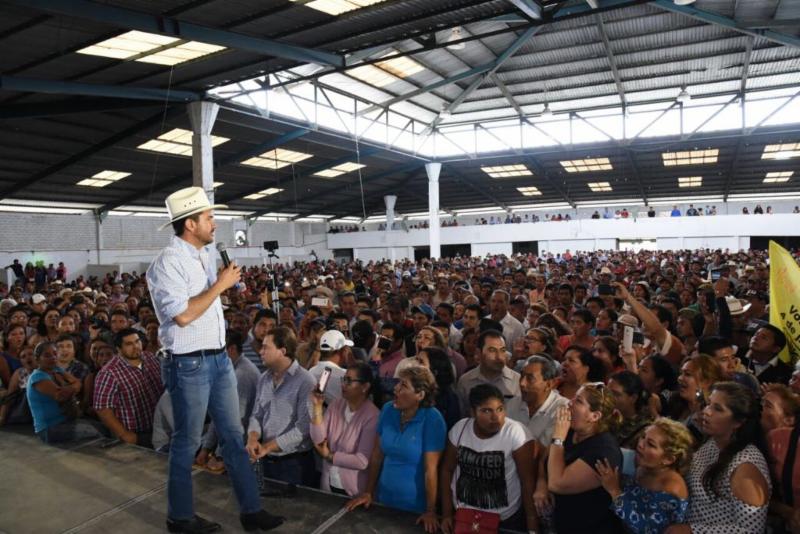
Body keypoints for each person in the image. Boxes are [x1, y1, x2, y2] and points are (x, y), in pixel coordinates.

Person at [146, 186, 283, 533]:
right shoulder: (167, 263)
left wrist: (225, 286)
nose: (215, 223)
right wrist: (220, 286)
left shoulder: (202, 256)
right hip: (188, 363)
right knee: (187, 441)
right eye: (209, 217)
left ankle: (251, 511)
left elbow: (206, 305)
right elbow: (182, 315)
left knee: (233, 437)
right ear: (190, 224)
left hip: (219, 360)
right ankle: (180, 518)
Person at [347, 366, 446, 533]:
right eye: (398, 383)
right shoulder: (388, 410)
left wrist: (430, 511)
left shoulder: (433, 420)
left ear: (420, 395)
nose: (395, 389)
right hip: (383, 501)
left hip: (414, 509)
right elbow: (377, 455)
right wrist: (368, 492)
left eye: (403, 386)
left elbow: (431, 470)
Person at [666, 382, 771, 534]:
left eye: (718, 409)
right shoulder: (712, 442)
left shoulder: (745, 467)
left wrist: (693, 530)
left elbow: (751, 530)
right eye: (708, 404)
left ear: (738, 422)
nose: (706, 412)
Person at [439, 384, 538, 533]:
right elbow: (447, 470)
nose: (496, 417)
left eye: (500, 409)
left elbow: (528, 482)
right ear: (472, 412)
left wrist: (532, 527)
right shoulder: (460, 429)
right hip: (463, 515)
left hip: (505, 519)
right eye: (486, 411)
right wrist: (447, 514)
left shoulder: (516, 433)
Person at [548, 382, 623, 533]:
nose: (570, 402)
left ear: (594, 416)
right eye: (574, 397)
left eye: (579, 401)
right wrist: (541, 485)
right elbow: (546, 459)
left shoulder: (604, 452)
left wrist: (557, 438)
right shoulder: (571, 430)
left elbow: (557, 484)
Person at [247, 326, 317, 487]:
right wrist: (252, 438)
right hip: (266, 459)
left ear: (283, 351)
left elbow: (304, 429)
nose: (260, 352)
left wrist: (267, 447)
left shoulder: (305, 381)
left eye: (266, 347)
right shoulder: (264, 378)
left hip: (294, 464)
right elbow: (257, 414)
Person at [596, 418, 692, 533]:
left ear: (668, 459)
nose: (640, 444)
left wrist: (614, 491)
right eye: (643, 437)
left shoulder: (672, 488)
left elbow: (647, 530)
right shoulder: (643, 467)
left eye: (650, 444)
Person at [194, 329, 261, 473]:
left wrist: (220, 456)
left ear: (231, 349)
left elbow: (236, 421)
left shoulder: (241, 375)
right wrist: (206, 448)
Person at [310, 361, 380, 496]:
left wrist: (330, 456)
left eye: (349, 381)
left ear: (365, 387)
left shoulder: (373, 416)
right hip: (328, 484)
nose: (343, 385)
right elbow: (318, 440)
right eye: (344, 379)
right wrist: (317, 407)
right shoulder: (336, 405)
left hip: (354, 490)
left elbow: (362, 461)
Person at [92, 328, 162, 447]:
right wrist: (124, 434)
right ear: (118, 349)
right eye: (129, 344)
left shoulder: (150, 358)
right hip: (137, 433)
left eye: (137, 341)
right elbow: (102, 409)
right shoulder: (109, 373)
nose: (136, 347)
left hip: (160, 426)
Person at [26, 341, 106, 443]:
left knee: (103, 427)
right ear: (37, 359)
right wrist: (70, 386)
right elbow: (60, 395)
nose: (53, 357)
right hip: (49, 429)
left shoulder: (56, 369)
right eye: (47, 355)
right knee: (97, 433)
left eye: (55, 353)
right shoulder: (37, 377)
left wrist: (68, 387)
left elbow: (78, 383)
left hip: (66, 422)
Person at [506, 355, 569, 447]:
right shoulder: (512, 404)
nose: (522, 383)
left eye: (530, 379)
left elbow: (544, 451)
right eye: (522, 376)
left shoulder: (562, 409)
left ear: (549, 384)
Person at [456, 329, 521, 415]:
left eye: (502, 350)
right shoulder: (465, 381)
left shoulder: (517, 381)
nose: (499, 357)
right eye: (492, 350)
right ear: (479, 353)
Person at [415, 346, 461, 430]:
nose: (415, 365)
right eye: (416, 360)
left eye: (421, 362)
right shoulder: (411, 390)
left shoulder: (449, 399)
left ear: (435, 371)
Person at [609, 371, 655, 448]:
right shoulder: (604, 413)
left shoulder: (644, 428)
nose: (608, 397)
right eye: (607, 392)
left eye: (616, 394)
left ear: (633, 398)